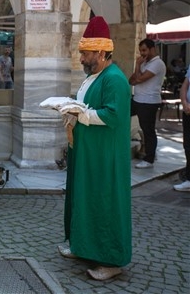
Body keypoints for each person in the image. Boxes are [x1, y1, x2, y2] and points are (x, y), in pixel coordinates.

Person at [58, 16, 131, 281]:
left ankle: (111, 261)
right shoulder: (95, 76)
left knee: (104, 202)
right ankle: (82, 246)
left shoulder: (115, 80)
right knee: (84, 198)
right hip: (88, 152)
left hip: (105, 157)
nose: (81, 59)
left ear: (100, 53)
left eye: (85, 54)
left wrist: (81, 114)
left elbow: (113, 115)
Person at [128, 38, 167, 169]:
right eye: (140, 51)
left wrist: (137, 66)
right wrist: (138, 69)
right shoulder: (145, 63)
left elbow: (138, 79)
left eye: (144, 50)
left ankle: (149, 159)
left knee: (148, 130)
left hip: (149, 102)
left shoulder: (158, 64)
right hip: (137, 99)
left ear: (152, 49)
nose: (142, 53)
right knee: (120, 113)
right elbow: (131, 80)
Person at [173, 69, 190, 191]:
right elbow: (185, 85)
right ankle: (189, 179)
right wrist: (184, 102)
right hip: (188, 110)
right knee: (188, 145)